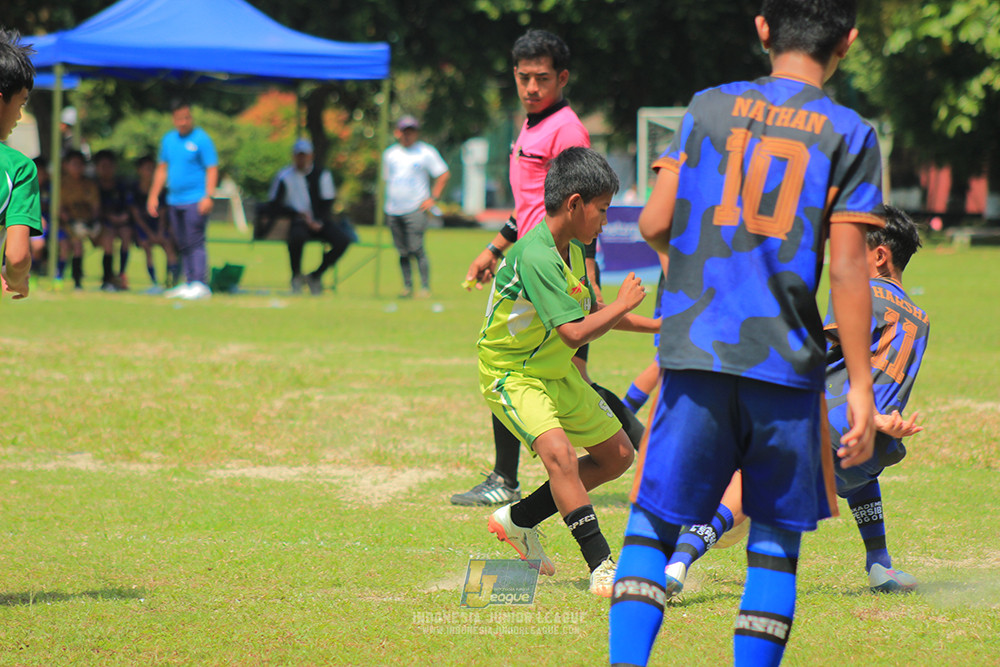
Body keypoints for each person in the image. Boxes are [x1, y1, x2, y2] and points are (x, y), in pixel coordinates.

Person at [608, 2, 885, 665]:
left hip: (696, 354)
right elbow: (848, 270)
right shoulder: (850, 133)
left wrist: (694, 267)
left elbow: (653, 221)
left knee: (651, 526)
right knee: (773, 548)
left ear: (762, 27)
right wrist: (863, 390)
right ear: (848, 40)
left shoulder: (707, 107)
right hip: (784, 372)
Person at [662, 208, 928, 598]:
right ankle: (879, 565)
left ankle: (678, 562)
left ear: (879, 256)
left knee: (746, 482)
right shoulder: (920, 317)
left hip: (828, 424)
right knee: (860, 478)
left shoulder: (860, 291)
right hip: (874, 444)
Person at [453, 28, 644, 508]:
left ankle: (643, 449)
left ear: (561, 77)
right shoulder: (531, 123)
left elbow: (582, 202)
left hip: (559, 267)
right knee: (524, 366)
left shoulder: (567, 130)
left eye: (541, 78)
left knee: (553, 373)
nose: (531, 87)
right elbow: (532, 205)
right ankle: (509, 476)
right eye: (523, 78)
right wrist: (496, 248)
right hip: (530, 263)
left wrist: (589, 272)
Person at [478, 147, 657, 597]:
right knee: (559, 454)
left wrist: (662, 325)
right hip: (513, 373)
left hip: (553, 371)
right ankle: (601, 565)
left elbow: (594, 311)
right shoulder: (535, 255)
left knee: (617, 456)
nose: (605, 221)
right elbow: (576, 333)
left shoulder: (573, 249)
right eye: (602, 210)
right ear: (575, 204)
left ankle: (518, 520)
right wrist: (621, 305)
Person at [147, 99, 218, 300]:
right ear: (174, 119)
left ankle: (200, 283)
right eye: (179, 118)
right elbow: (162, 169)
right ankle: (188, 282)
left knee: (195, 240)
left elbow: (212, 168)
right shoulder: (169, 140)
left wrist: (208, 195)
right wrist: (153, 195)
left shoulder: (201, 139)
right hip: (174, 200)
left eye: (187, 118)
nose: (183, 122)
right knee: (181, 241)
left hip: (195, 199)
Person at [267, 138, 352, 295]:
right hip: (297, 220)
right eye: (298, 155)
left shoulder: (322, 174)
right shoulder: (284, 176)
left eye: (304, 155)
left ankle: (315, 275)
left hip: (319, 220)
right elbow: (274, 204)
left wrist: (317, 220)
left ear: (310, 156)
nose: (301, 159)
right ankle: (296, 276)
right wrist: (297, 214)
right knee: (297, 237)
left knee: (343, 240)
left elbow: (327, 201)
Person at [381, 115, 449, 298]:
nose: (407, 135)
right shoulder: (390, 155)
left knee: (416, 248)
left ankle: (425, 287)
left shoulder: (425, 152)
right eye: (404, 131)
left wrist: (433, 198)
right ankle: (407, 286)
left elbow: (443, 174)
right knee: (402, 251)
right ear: (397, 133)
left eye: (411, 131)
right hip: (394, 209)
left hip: (416, 209)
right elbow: (386, 180)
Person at [0, 27, 41, 301]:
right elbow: (17, 257)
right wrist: (17, 280)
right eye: (21, 102)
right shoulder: (18, 167)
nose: (19, 114)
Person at [130, 154, 180, 292]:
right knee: (146, 246)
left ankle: (172, 280)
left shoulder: (161, 190)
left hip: (159, 226)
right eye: (147, 168)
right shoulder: (135, 190)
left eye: (153, 168)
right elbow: (136, 216)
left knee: (168, 245)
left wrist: (159, 232)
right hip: (144, 227)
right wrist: (150, 234)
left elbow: (163, 213)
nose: (150, 172)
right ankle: (154, 282)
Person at [58, 149, 100, 290]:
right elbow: (60, 209)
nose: (78, 168)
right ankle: (67, 278)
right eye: (74, 164)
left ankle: (109, 278)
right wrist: (71, 222)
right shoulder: (62, 184)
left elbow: (95, 206)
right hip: (66, 224)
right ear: (66, 165)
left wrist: (93, 221)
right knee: (75, 245)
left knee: (107, 239)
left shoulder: (89, 184)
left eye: (80, 164)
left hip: (86, 222)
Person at [94, 149, 134, 291]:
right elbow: (95, 209)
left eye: (109, 166)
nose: (106, 170)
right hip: (102, 224)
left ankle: (121, 274)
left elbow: (129, 206)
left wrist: (123, 216)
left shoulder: (121, 185)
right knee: (108, 239)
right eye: (103, 166)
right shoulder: (94, 186)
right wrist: (108, 216)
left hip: (121, 222)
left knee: (126, 234)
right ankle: (108, 277)